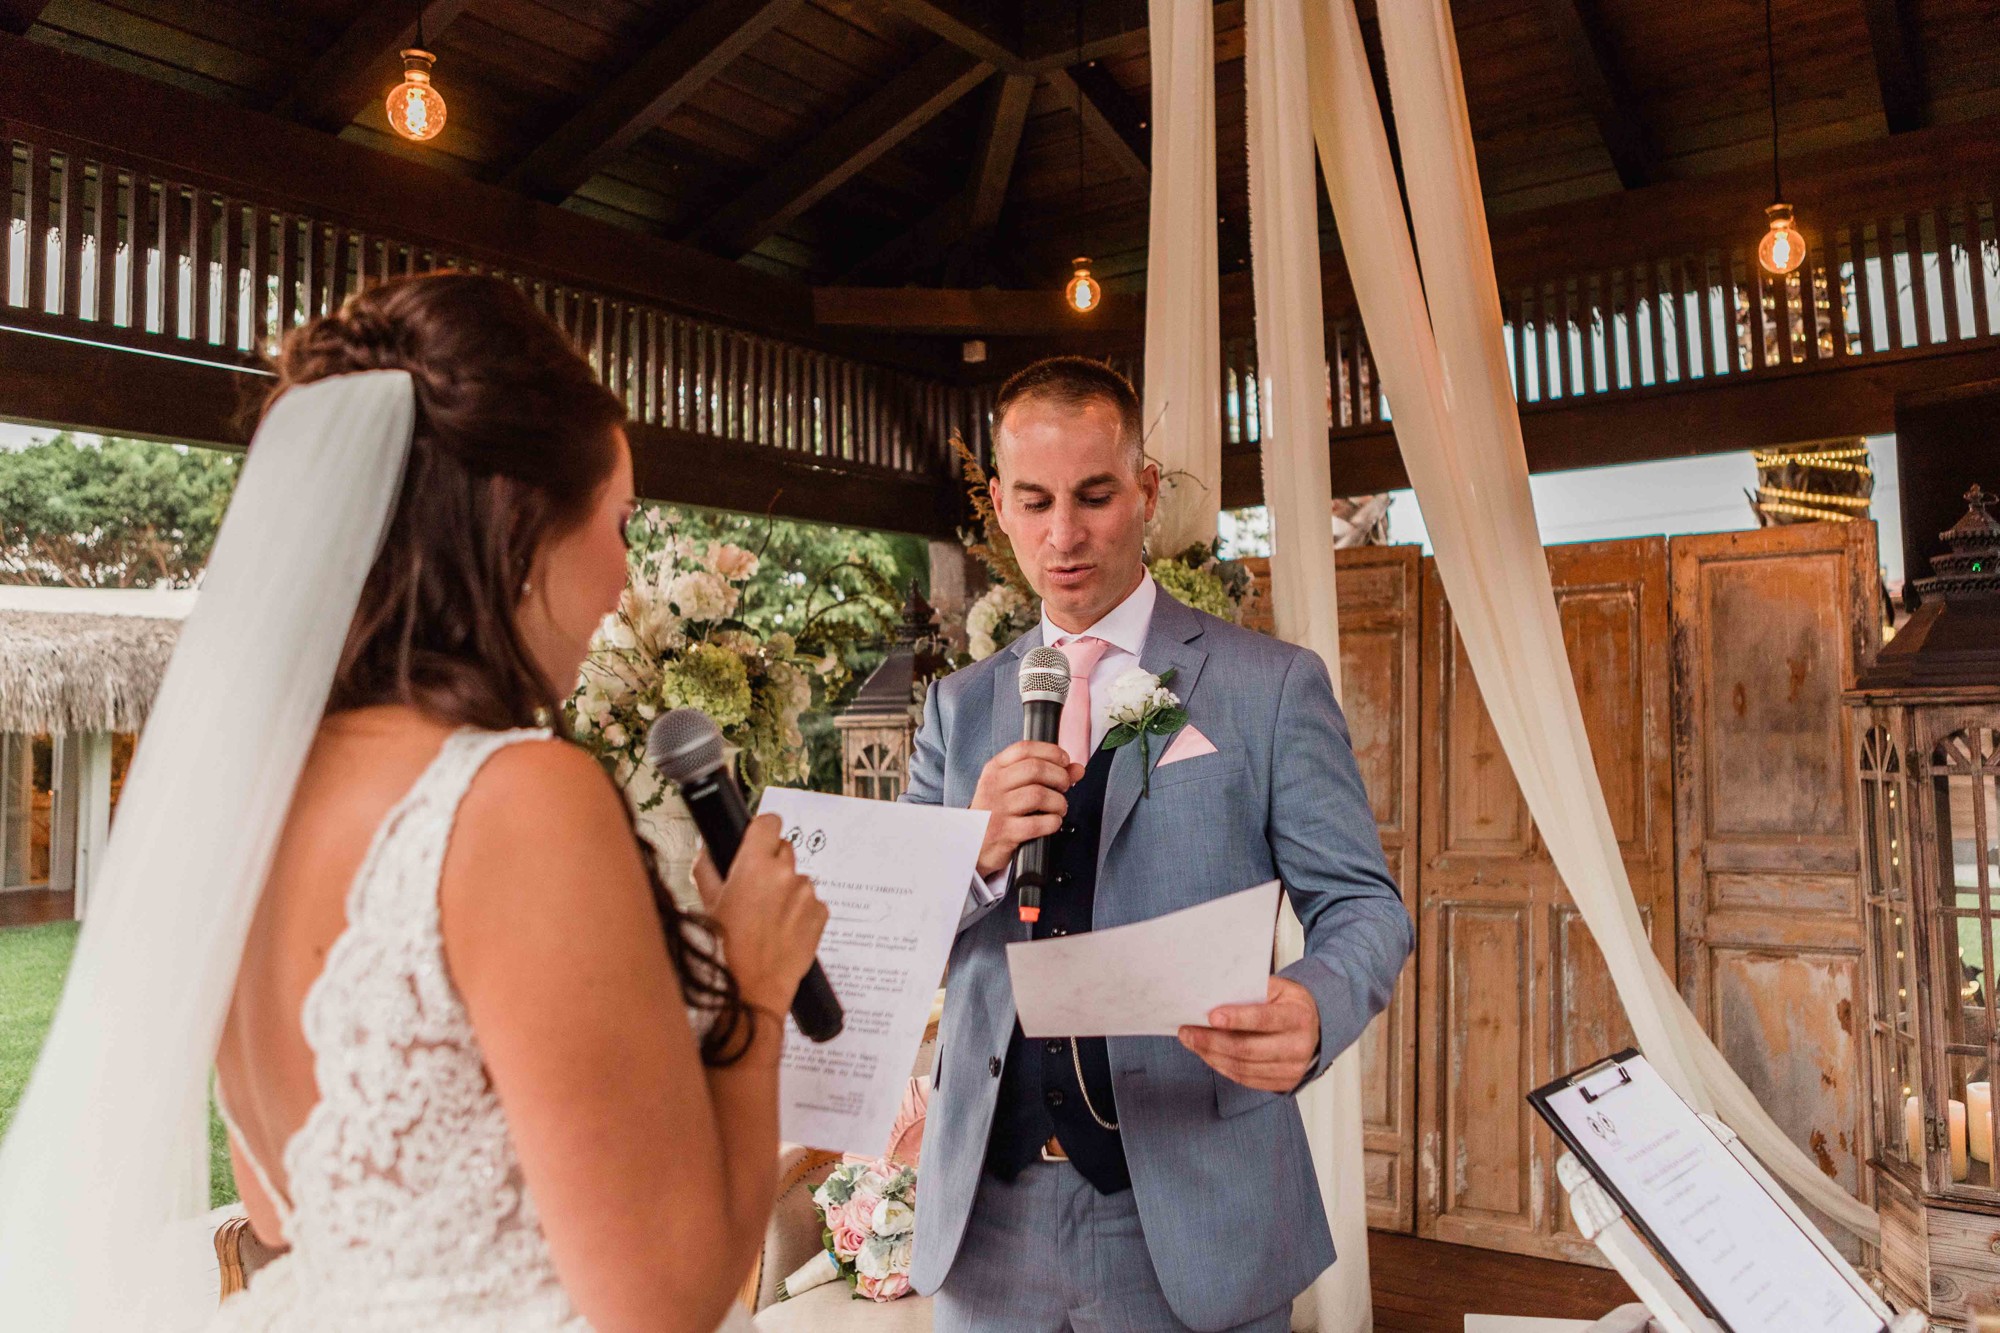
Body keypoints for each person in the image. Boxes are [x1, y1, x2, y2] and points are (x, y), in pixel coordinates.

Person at [0, 273, 826, 1333]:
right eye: (620, 523)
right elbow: (662, 1303)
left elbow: (279, 1204)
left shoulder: (248, 802)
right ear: (521, 525)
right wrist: (752, 985)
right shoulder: (514, 800)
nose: (624, 580)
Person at [903, 357, 1413, 1333]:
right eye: (1034, 501)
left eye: (1094, 496)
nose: (1063, 535)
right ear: (1001, 510)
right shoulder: (958, 709)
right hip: (987, 1224)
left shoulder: (1267, 687)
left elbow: (1362, 905)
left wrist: (1312, 1002)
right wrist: (969, 854)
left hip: (1191, 1211)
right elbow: (903, 945)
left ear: (1142, 492)